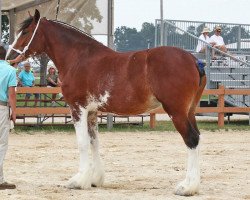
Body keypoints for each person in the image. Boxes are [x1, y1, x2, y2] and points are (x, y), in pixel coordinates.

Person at [0, 46, 17, 190]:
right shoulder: (10, 70)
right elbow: (12, 94)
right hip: (1, 108)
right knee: (1, 144)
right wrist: (14, 112)